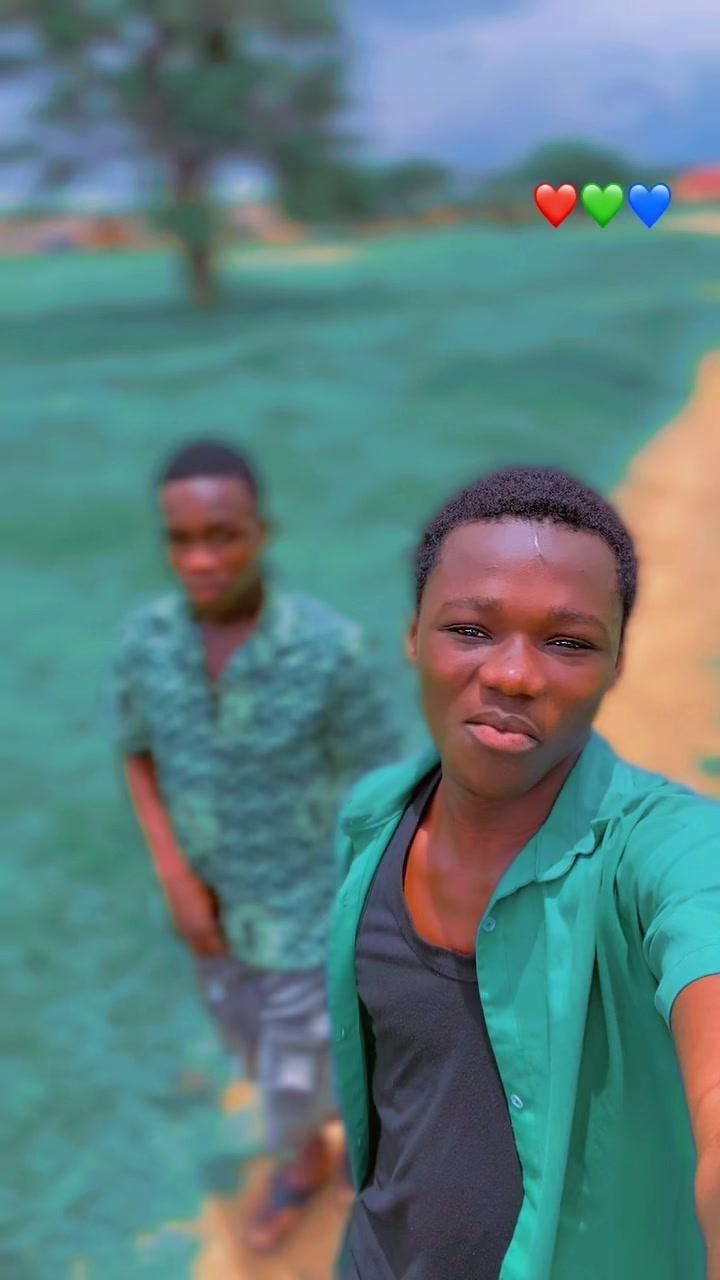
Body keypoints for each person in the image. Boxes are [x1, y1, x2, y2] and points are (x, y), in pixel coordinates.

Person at [328, 464, 720, 1280]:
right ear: (412, 635)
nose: (513, 675)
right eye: (471, 629)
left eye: (568, 642)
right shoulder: (372, 821)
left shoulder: (662, 850)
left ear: (616, 665)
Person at [110, 439, 402, 1251]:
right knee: (251, 1047)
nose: (201, 560)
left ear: (263, 532)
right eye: (182, 540)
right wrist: (175, 876)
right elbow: (136, 751)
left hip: (309, 915)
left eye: (223, 535)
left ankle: (331, 1164)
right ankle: (317, 1153)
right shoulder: (145, 642)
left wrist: (377, 919)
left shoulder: (330, 649)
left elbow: (386, 783)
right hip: (209, 919)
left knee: (299, 1066)